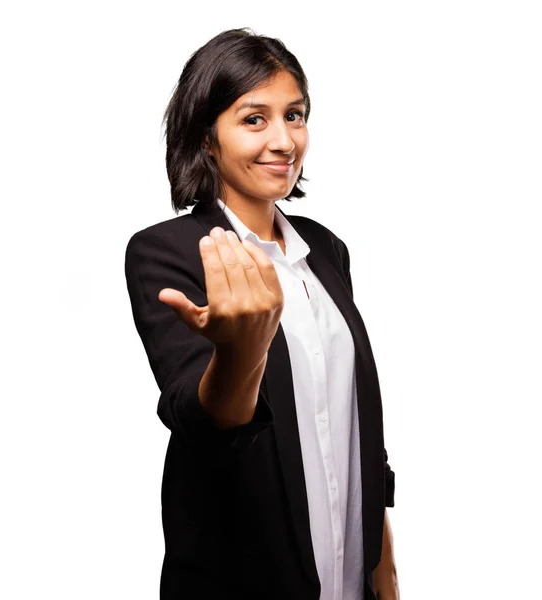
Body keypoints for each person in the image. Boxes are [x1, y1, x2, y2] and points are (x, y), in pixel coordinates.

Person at [125, 27, 399, 600]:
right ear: (207, 137)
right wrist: (240, 349)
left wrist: (385, 573)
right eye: (254, 119)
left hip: (349, 576)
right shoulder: (167, 251)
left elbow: (352, 425)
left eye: (294, 115)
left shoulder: (324, 251)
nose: (284, 140)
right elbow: (201, 418)